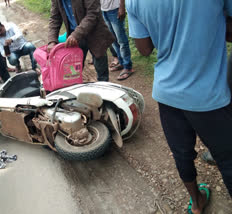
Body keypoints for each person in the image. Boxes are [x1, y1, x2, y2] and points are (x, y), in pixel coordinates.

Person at [126, 0, 232, 213]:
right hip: (208, 95)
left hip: (167, 94)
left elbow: (144, 49)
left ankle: (197, 203)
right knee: (228, 158)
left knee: (182, 154)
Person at [47, 0, 115, 81]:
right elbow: (55, 18)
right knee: (72, 74)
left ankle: (103, 89)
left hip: (95, 35)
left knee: (101, 73)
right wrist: (52, 41)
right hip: (74, 39)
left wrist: (76, 34)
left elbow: (92, 14)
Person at [101, 0, 133, 80]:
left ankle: (127, 67)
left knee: (121, 40)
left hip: (115, 9)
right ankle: (121, 62)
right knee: (113, 39)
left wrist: (122, 6)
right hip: (104, 10)